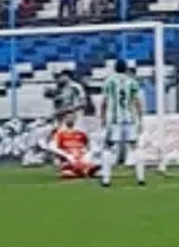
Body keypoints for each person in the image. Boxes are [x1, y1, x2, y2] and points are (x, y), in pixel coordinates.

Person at [99, 59, 144, 187]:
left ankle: (106, 179)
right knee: (135, 146)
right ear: (126, 68)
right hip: (129, 119)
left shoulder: (109, 82)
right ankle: (141, 178)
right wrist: (140, 118)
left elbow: (104, 101)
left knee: (109, 147)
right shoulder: (132, 82)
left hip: (114, 120)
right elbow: (137, 102)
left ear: (115, 68)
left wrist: (102, 118)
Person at [47, 114, 98, 179]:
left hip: (80, 154)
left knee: (88, 159)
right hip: (68, 155)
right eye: (68, 117)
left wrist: (87, 152)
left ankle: (81, 170)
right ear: (64, 120)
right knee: (69, 164)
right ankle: (83, 170)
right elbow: (52, 147)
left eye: (72, 117)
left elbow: (88, 146)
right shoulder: (60, 133)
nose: (70, 119)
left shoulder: (81, 133)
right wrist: (66, 155)